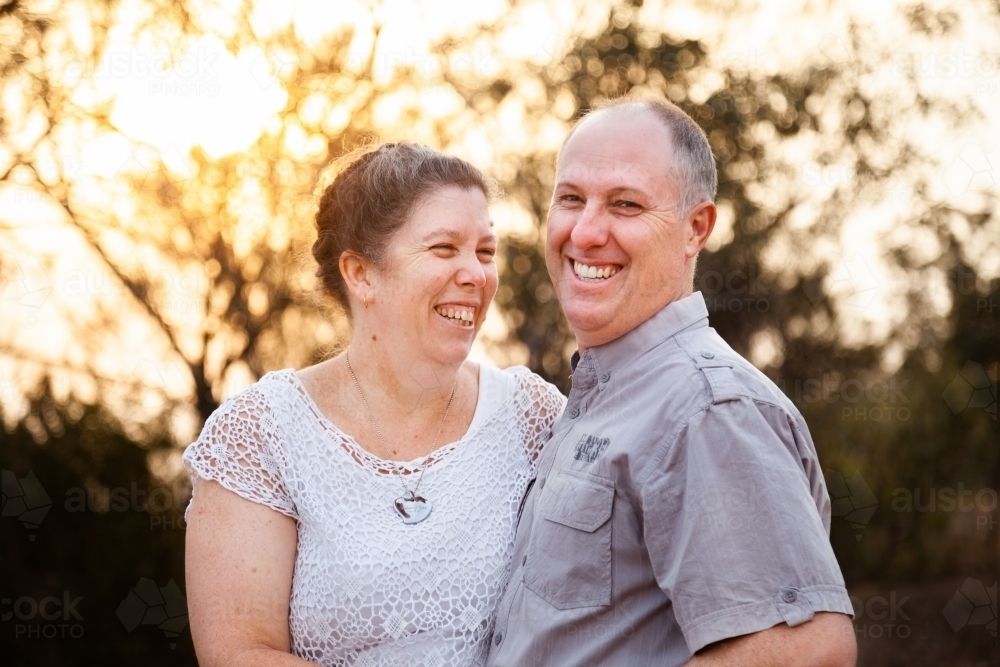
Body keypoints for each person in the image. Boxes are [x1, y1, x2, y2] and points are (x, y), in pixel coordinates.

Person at [486, 97, 857, 666]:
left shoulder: (704, 408)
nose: (585, 232)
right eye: (570, 199)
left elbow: (807, 650)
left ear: (696, 229)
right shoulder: (604, 395)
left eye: (625, 205)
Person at [183, 142, 565, 667]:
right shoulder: (260, 435)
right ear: (361, 274)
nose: (476, 275)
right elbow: (239, 654)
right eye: (443, 249)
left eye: (484, 251)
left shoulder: (533, 416)